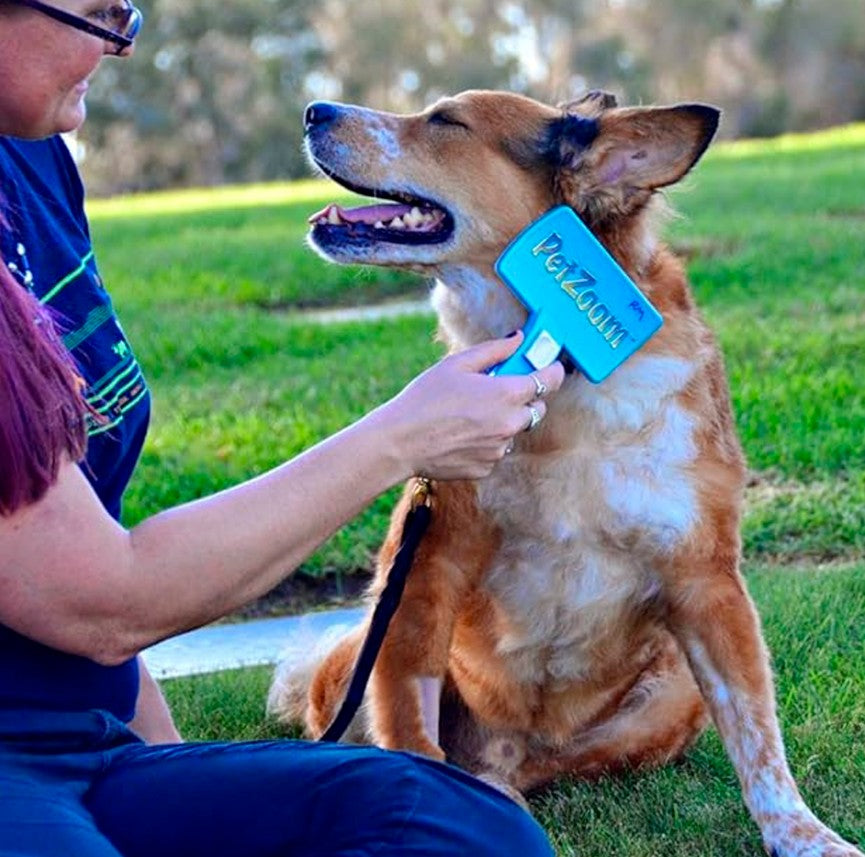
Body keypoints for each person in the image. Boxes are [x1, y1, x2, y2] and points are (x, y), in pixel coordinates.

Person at [0, 1, 565, 855]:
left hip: (85, 750)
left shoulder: (31, 155)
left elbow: (87, 546)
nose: (121, 43)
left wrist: (180, 785)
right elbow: (99, 600)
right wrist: (398, 438)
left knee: (468, 826)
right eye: (98, 14)